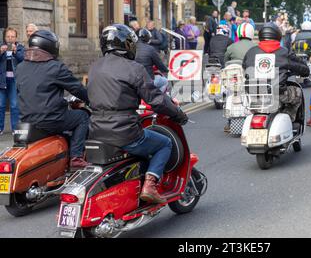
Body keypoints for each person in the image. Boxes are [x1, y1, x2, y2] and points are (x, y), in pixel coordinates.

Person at [88, 24, 188, 204]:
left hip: (95, 131)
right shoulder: (134, 68)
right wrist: (178, 114)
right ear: (127, 45)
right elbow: (156, 99)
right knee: (164, 143)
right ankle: (150, 185)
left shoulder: (94, 67)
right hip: (124, 132)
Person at [15, 30, 90, 168]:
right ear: (51, 47)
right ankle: (76, 157)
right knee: (82, 117)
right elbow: (77, 89)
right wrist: (91, 100)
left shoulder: (20, 67)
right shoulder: (55, 67)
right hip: (50, 119)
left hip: (26, 120)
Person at [242, 23, 310, 122]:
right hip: (278, 94)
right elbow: (299, 66)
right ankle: (288, 120)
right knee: (297, 93)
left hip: (254, 94)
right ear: (277, 35)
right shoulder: (284, 52)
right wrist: (305, 71)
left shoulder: (251, 52)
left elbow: (244, 67)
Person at [0, 28, 25, 134]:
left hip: (14, 80)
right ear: (4, 37)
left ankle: (15, 128)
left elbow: (23, 59)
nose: (10, 39)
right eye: (8, 36)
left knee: (14, 105)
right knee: (0, 105)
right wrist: (1, 52)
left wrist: (15, 52)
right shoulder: (1, 47)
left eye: (12, 37)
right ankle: (0, 128)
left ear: (16, 38)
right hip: (2, 80)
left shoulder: (20, 47)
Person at [135, 28, 170, 92]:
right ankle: (157, 98)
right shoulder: (150, 49)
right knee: (165, 81)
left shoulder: (131, 47)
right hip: (147, 80)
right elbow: (159, 64)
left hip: (134, 80)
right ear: (147, 38)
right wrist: (166, 70)